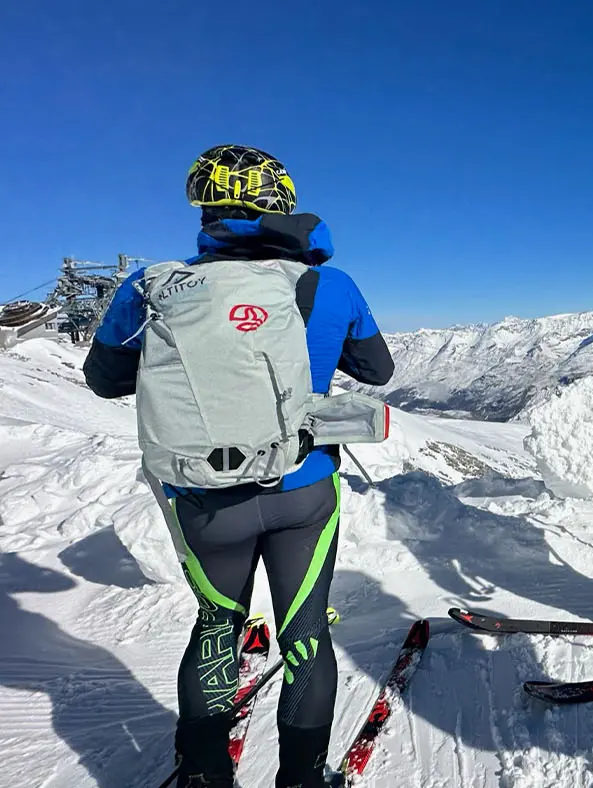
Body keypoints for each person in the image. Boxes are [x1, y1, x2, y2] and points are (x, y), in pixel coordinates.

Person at [83, 144, 394, 788]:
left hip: (204, 500)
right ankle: (303, 777)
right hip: (303, 491)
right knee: (306, 632)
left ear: (205, 207)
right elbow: (377, 371)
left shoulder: (153, 285)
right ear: (281, 200)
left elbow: (104, 380)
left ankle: (201, 775)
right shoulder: (327, 284)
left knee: (216, 627)